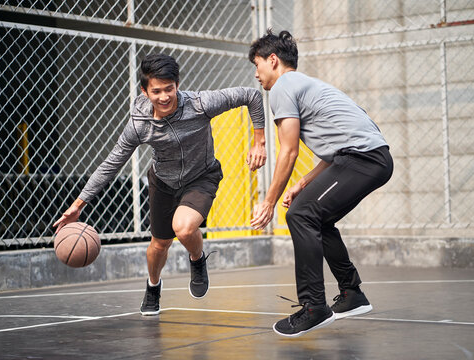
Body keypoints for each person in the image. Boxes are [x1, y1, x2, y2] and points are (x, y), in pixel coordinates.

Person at [54, 53, 267, 315]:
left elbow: (251, 95)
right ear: (145, 91)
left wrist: (259, 140)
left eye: (170, 88)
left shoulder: (200, 104)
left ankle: (197, 259)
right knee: (159, 246)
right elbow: (112, 164)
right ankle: (153, 286)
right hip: (163, 182)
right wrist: (78, 204)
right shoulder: (139, 123)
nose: (164, 96)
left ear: (177, 84)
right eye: (156, 91)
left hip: (201, 176)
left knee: (184, 229)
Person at [249, 30, 393, 337]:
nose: (256, 74)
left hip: (361, 158)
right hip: (368, 158)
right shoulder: (308, 85)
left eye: (257, 64)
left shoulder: (283, 86)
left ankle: (314, 308)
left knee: (300, 215)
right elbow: (336, 150)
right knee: (318, 218)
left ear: (273, 60)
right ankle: (352, 294)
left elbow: (289, 150)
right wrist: (304, 181)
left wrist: (269, 202)